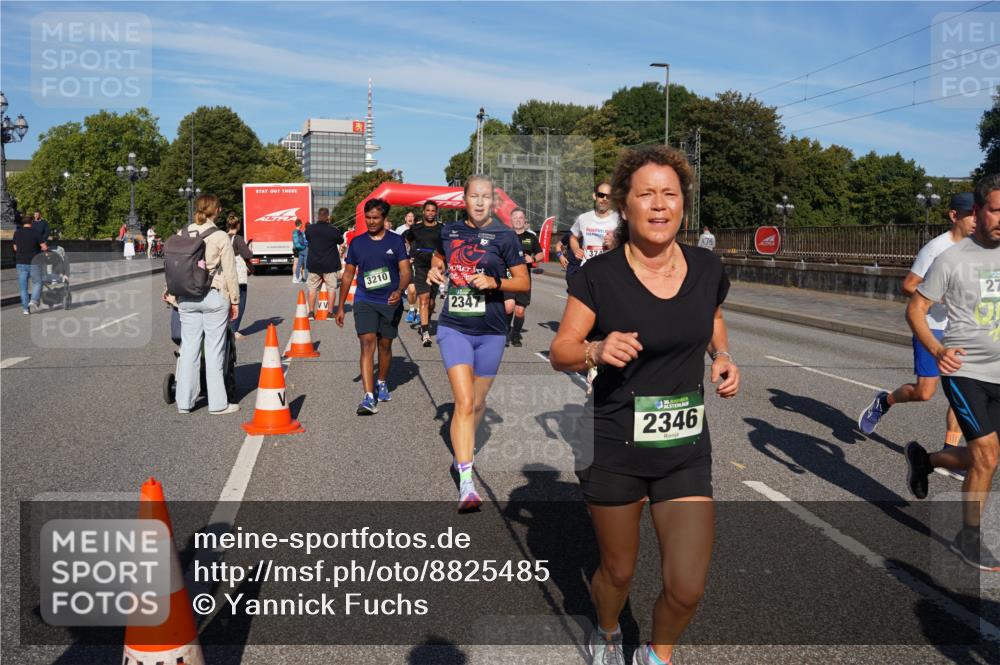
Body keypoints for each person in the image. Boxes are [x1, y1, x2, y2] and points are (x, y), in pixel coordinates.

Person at [549, 145, 739, 665]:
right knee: (619, 572)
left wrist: (721, 355)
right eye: (646, 195)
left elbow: (712, 318)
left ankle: (657, 655)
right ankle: (607, 629)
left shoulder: (706, 266)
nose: (659, 205)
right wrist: (595, 349)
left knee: (687, 586)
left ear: (683, 205)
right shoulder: (598, 275)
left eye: (670, 195)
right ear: (625, 206)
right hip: (613, 447)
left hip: (683, 449)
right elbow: (560, 351)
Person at [903, 174, 1000, 571]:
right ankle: (968, 537)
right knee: (987, 455)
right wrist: (938, 349)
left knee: (987, 458)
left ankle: (925, 461)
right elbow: (916, 310)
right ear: (977, 212)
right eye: (995, 210)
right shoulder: (951, 258)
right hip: (967, 371)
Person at [427, 175, 530, 512]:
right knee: (465, 400)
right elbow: (439, 259)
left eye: (487, 197)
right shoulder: (450, 230)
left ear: (494, 202)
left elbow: (522, 281)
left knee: (478, 403)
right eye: (475, 196)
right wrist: (435, 271)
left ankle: (464, 444)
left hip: (491, 330)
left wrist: (494, 281)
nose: (481, 202)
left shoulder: (504, 236)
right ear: (465, 199)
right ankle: (467, 482)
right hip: (454, 326)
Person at [859, 193, 977, 474]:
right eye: (971, 214)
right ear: (954, 216)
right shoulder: (937, 248)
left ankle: (950, 451)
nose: (977, 220)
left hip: (962, 330)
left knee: (965, 392)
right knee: (925, 392)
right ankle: (884, 401)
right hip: (931, 328)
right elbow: (909, 285)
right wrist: (942, 297)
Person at [336, 199, 411, 415]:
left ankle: (381, 381)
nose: (371, 221)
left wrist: (400, 290)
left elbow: (406, 271)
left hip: (389, 302)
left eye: (375, 218)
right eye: (367, 217)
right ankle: (369, 397)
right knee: (367, 343)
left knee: (384, 345)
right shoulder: (357, 243)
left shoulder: (396, 242)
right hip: (364, 300)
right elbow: (349, 273)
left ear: (384, 219)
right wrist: (340, 306)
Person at [173, 194, 241, 415]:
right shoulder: (220, 236)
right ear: (217, 210)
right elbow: (230, 272)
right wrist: (235, 301)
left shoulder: (182, 233)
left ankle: (184, 402)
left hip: (186, 298)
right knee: (213, 351)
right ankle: (218, 404)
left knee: (188, 350)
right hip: (213, 295)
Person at [503, 208, 544, 347]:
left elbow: (540, 254)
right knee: (509, 307)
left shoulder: (531, 237)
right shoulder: (505, 235)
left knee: (520, 310)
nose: (518, 219)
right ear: (511, 220)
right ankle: (506, 333)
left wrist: (531, 258)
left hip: (524, 278)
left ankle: (515, 335)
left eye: (521, 217)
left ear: (524, 220)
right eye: (515, 217)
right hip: (508, 277)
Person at [403, 201, 442, 347]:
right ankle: (425, 333)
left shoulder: (441, 228)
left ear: (436, 212)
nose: (430, 213)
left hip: (436, 267)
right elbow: (407, 240)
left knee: (431, 302)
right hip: (420, 266)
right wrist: (413, 253)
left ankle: (425, 321)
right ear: (423, 212)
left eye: (433, 211)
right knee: (424, 299)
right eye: (428, 210)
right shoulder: (416, 228)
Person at [305, 208, 344, 319]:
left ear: (318, 216)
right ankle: (330, 313)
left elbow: (308, 238)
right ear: (328, 216)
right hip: (330, 265)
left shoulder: (310, 229)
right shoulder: (334, 230)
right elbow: (340, 241)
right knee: (331, 288)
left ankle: (311, 313)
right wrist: (330, 224)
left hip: (314, 264)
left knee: (312, 288)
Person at [569, 181, 620, 265]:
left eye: (608, 196)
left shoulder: (618, 219)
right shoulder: (583, 218)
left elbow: (629, 245)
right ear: (594, 196)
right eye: (601, 195)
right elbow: (573, 238)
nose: (604, 199)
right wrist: (576, 250)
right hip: (587, 269)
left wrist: (615, 243)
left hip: (608, 269)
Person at [227, 214, 254, 338]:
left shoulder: (223, 237)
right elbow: (247, 254)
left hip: (226, 273)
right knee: (240, 301)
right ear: (238, 225)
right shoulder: (237, 238)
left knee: (227, 301)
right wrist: (250, 250)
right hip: (238, 276)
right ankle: (234, 329)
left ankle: (225, 327)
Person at [13, 213, 46, 314]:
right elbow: (44, 247)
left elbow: (15, 248)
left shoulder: (17, 233)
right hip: (34, 262)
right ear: (32, 222)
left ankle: (25, 309)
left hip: (20, 262)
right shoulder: (36, 232)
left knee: (23, 288)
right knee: (38, 282)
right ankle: (34, 300)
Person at [396, 210, 419, 324]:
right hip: (407, 264)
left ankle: (418, 311)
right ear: (405, 218)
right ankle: (411, 310)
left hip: (420, 264)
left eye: (412, 216)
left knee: (418, 289)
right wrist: (405, 260)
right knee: (411, 290)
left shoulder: (420, 230)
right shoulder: (400, 231)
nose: (410, 218)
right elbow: (398, 248)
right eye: (408, 216)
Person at [292, 219, 308, 284]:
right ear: (300, 224)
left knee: (299, 264)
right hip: (302, 249)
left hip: (298, 250)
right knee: (305, 264)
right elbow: (301, 242)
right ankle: (306, 279)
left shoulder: (295, 232)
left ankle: (296, 278)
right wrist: (304, 247)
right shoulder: (298, 232)